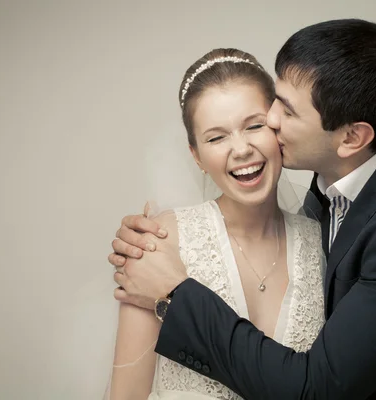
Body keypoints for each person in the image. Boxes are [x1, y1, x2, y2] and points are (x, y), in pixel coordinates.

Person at [109, 19, 376, 399]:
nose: (272, 121)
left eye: (286, 112)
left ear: (353, 137)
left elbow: (316, 390)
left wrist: (175, 295)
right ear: (195, 153)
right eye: (275, 99)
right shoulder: (335, 189)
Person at [106, 48, 326, 400]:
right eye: (216, 137)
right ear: (197, 156)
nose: (241, 149)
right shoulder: (158, 242)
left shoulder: (323, 241)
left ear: (277, 127)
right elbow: (126, 395)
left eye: (254, 126)